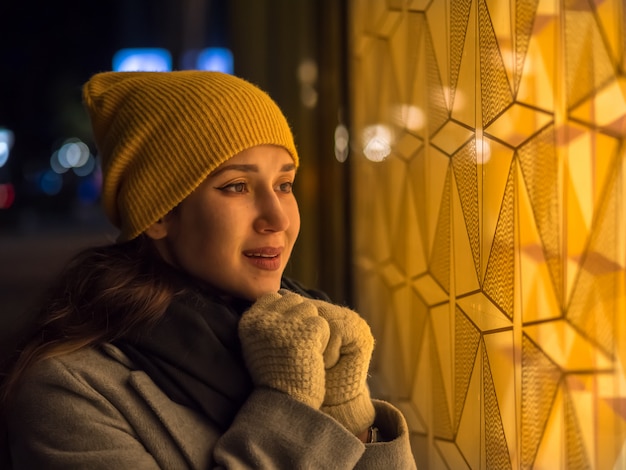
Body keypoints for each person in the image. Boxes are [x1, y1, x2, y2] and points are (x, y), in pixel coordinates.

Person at [0, 71, 416, 468]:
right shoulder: (70, 391)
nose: (278, 218)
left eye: (284, 185)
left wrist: (350, 413)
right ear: (159, 214)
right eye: (236, 186)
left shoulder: (310, 333)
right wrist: (291, 403)